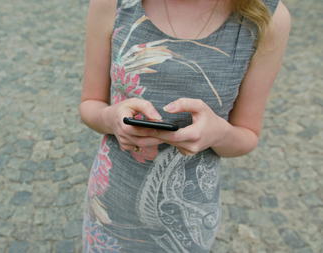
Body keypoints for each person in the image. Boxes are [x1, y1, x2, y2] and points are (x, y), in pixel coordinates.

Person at [79, 0, 290, 252]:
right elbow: (90, 104)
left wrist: (218, 133)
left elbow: (248, 135)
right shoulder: (112, 3)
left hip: (188, 221)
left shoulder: (268, 18)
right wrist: (111, 119)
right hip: (111, 206)